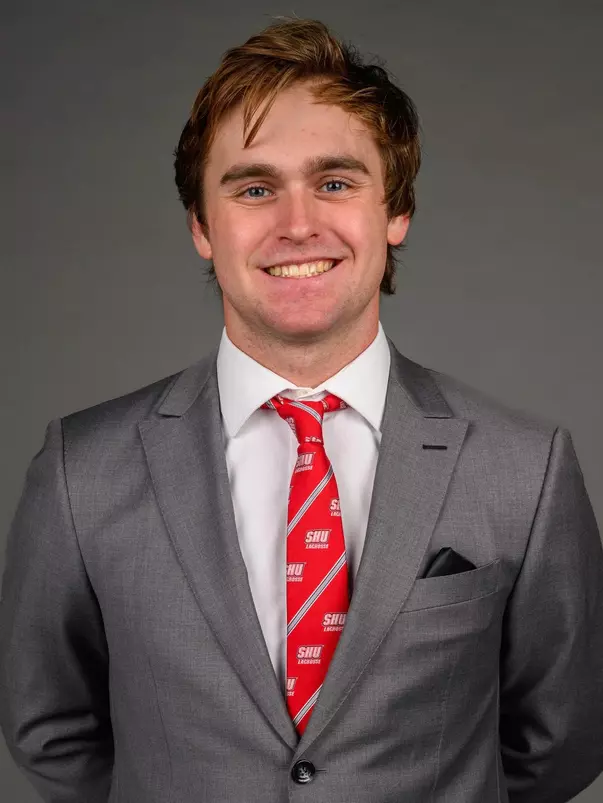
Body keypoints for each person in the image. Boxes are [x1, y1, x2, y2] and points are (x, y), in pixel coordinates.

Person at [1, 16, 602, 803]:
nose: (297, 224)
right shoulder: (81, 471)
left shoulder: (524, 468)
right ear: (201, 226)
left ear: (395, 211)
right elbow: (48, 729)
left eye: (335, 182)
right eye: (254, 188)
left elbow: (562, 738)